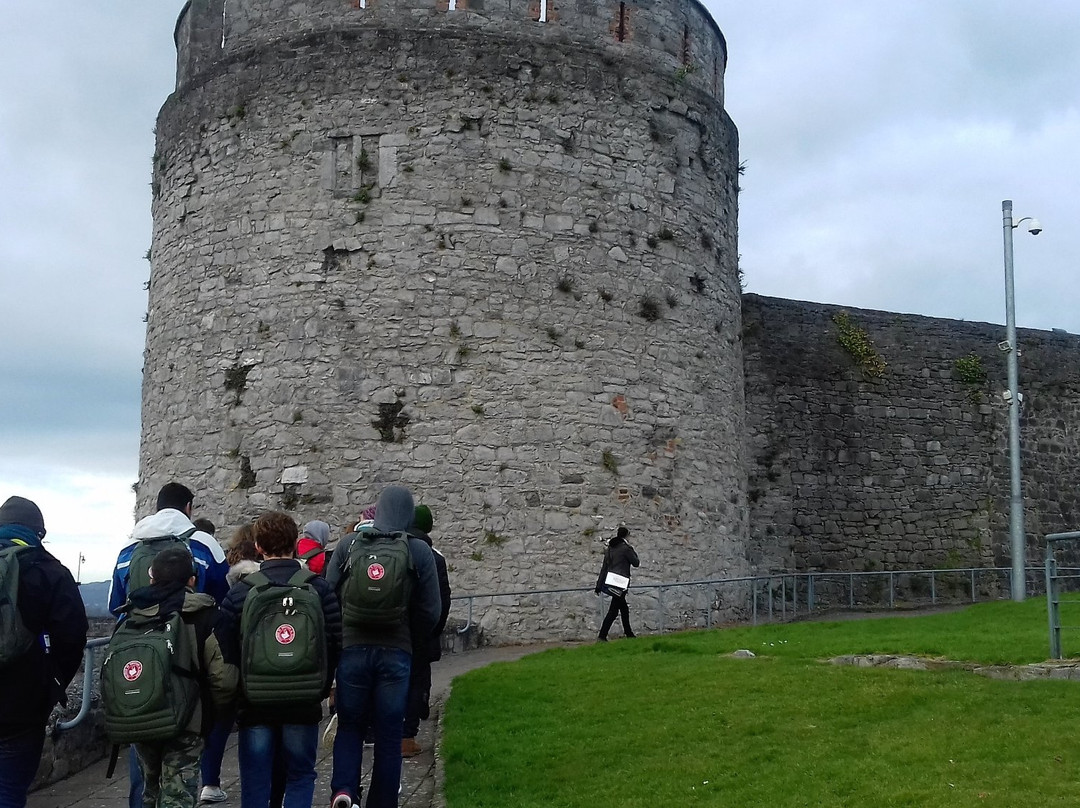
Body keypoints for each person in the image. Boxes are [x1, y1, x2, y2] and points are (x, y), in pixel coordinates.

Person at [109, 482, 229, 808]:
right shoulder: (204, 547)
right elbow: (223, 602)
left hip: (142, 680)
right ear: (189, 507)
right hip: (189, 681)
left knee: (145, 773)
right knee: (182, 777)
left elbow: (115, 607)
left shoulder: (128, 550)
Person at [215, 511, 342, 808]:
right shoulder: (318, 588)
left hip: (255, 701)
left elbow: (226, 650)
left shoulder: (241, 593)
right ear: (296, 543)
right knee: (300, 775)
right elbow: (335, 641)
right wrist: (322, 686)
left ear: (258, 546)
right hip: (303, 698)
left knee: (256, 779)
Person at [326, 485, 442, 808]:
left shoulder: (349, 545)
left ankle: (344, 790)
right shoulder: (418, 550)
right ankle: (383, 801)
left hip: (352, 649)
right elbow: (431, 610)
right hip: (396, 651)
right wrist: (409, 636)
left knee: (350, 725)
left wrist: (341, 637)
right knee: (390, 735)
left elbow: (328, 593)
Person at [0, 496, 88, 808]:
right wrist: (52, 686)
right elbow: (73, 637)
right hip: (21, 706)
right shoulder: (51, 572)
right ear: (38, 532)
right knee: (9, 791)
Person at [200, 522, 261, 804]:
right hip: (259, 665)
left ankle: (210, 783)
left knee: (219, 726)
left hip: (227, 663)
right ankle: (256, 785)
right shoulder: (263, 584)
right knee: (253, 727)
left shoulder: (229, 584)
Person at [401, 505, 451, 758]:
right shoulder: (434, 557)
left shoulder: (392, 551)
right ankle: (407, 737)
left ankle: (381, 733)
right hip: (420, 633)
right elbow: (442, 600)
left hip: (392, 630)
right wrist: (433, 631)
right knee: (416, 682)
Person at [594, 526, 640, 641]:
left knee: (623, 608)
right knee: (614, 611)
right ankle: (602, 636)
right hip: (621, 582)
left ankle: (629, 633)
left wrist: (599, 585)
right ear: (626, 535)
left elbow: (604, 567)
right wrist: (631, 548)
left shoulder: (610, 548)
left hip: (611, 581)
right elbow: (636, 563)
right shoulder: (626, 548)